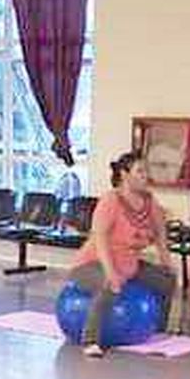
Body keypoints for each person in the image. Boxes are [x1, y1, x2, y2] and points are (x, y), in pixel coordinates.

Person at [67, 151, 177, 357]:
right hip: (91, 264)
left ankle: (157, 329)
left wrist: (166, 263)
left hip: (128, 265)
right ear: (125, 175)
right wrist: (110, 272)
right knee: (109, 284)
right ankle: (90, 340)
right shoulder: (110, 201)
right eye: (140, 171)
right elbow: (99, 239)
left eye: (147, 171)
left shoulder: (149, 201)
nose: (146, 176)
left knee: (167, 280)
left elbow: (161, 234)